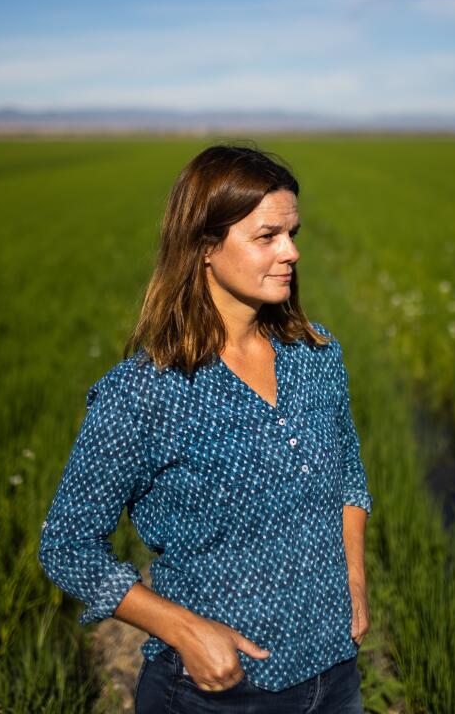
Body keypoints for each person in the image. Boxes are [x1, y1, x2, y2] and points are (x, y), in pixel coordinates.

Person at [39, 142, 373, 713]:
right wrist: (185, 630)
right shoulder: (143, 392)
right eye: (267, 236)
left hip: (335, 677)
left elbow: (348, 480)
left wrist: (355, 584)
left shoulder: (316, 354)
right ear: (204, 247)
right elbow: (67, 545)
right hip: (215, 694)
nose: (291, 252)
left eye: (293, 233)